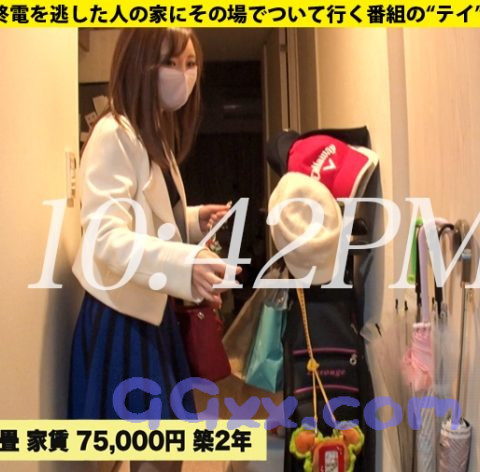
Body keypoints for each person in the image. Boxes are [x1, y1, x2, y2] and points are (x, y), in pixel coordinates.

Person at [68, 28, 240, 469]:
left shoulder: (150, 132)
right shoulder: (114, 133)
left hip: (148, 311)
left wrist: (190, 219)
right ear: (139, 64)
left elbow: (143, 215)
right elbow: (105, 237)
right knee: (148, 455)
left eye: (190, 64)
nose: (184, 75)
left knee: (160, 453)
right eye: (171, 63)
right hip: (123, 317)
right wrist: (184, 263)